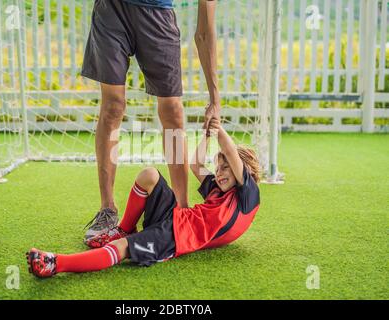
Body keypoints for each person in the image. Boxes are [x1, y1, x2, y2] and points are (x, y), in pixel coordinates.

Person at [26, 117, 260, 278]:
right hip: (177, 216)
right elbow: (195, 164)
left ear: (243, 172)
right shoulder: (218, 190)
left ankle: (55, 263)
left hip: (175, 238)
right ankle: (124, 227)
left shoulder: (247, 197)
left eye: (226, 168)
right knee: (149, 175)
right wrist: (208, 135)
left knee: (121, 248)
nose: (219, 173)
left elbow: (230, 152)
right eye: (218, 168)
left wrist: (218, 126)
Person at [81, 0, 221, 243]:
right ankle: (107, 209)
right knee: (113, 105)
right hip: (112, 9)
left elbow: (205, 33)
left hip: (158, 14)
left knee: (173, 112)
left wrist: (215, 99)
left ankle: (181, 208)